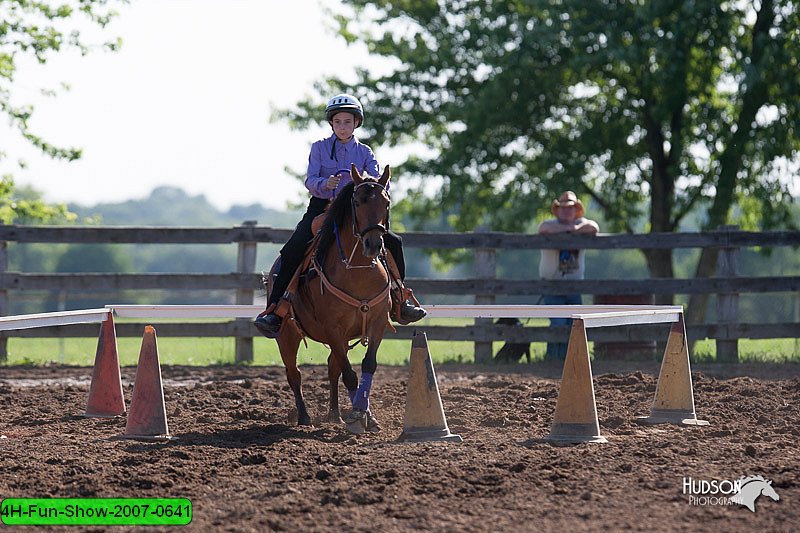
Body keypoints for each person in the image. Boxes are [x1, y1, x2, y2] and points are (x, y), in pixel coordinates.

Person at [254, 94, 426, 336]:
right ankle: (275, 311)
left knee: (394, 242)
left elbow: (378, 181)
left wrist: (365, 186)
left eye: (347, 121)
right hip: (322, 207)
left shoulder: (365, 152)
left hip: (357, 211)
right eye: (338, 122)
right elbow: (310, 180)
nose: (342, 126)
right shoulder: (319, 148)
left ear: (356, 123)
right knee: (293, 248)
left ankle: (400, 300)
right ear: (331, 124)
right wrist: (326, 183)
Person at [538, 191, 599, 359]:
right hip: (552, 285)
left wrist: (575, 229)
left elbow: (594, 227)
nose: (567, 211)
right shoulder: (550, 224)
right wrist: (567, 229)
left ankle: (570, 359)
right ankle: (554, 358)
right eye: (563, 208)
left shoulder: (581, 224)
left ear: (576, 210)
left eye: (571, 208)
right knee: (558, 323)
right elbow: (543, 228)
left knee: (574, 325)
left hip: (574, 286)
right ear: (557, 210)